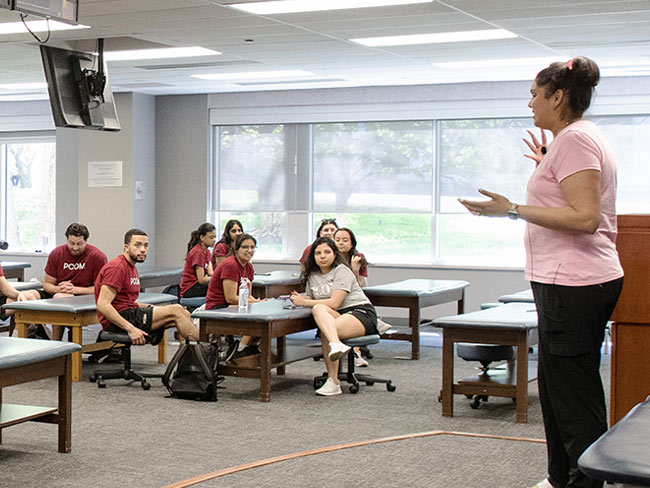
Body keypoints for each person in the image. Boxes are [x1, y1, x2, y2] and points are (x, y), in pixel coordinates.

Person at [459, 56, 623, 488]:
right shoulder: (571, 141)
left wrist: (510, 209)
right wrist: (546, 165)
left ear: (558, 95)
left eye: (535, 94)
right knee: (556, 388)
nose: (529, 102)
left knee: (572, 394)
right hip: (567, 281)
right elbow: (568, 202)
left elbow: (586, 217)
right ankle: (561, 477)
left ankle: (584, 481)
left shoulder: (576, 141)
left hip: (576, 282)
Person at [290, 237, 378, 396]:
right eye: (318, 253)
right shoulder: (313, 275)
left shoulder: (341, 270)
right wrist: (299, 299)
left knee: (326, 326)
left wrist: (304, 301)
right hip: (338, 315)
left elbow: (335, 302)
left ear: (334, 254)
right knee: (320, 311)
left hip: (360, 313)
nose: (322, 256)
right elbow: (313, 299)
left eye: (326, 252)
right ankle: (335, 350)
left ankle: (333, 381)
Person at [95, 228, 200, 346]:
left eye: (145, 245)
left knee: (183, 312)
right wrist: (131, 329)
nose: (143, 250)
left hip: (130, 312)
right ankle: (204, 351)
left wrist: (151, 307)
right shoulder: (117, 268)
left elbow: (128, 300)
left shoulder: (131, 266)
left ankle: (189, 358)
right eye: (137, 245)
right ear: (126, 247)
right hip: (118, 319)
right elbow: (103, 305)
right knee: (177, 311)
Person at [42, 223, 108, 340]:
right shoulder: (56, 253)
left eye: (79, 244)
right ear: (67, 239)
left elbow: (102, 289)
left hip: (86, 296)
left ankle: (61, 344)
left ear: (86, 241)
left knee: (60, 298)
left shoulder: (97, 257)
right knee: (33, 296)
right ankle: (54, 343)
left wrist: (75, 289)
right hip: (61, 293)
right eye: (71, 243)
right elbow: (47, 284)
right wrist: (59, 288)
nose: (75, 248)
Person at [205, 233, 264, 360]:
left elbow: (248, 295)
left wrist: (258, 301)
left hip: (235, 304)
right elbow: (230, 298)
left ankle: (249, 349)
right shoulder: (230, 265)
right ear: (236, 250)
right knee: (259, 321)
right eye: (245, 247)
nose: (250, 251)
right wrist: (256, 303)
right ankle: (239, 351)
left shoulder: (248, 266)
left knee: (265, 319)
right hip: (218, 307)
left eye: (253, 247)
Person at [334, 227, 370, 367]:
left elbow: (362, 285)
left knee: (352, 315)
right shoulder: (331, 259)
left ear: (352, 243)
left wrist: (355, 269)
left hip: (354, 299)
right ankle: (355, 353)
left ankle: (356, 353)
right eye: (337, 240)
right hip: (338, 299)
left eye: (345, 240)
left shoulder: (358, 258)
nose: (341, 243)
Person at [180, 223, 216, 298]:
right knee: (218, 289)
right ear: (202, 238)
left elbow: (211, 272)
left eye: (214, 237)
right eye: (211, 237)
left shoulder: (207, 252)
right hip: (190, 288)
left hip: (197, 286)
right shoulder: (198, 252)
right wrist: (216, 278)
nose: (214, 240)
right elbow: (201, 280)